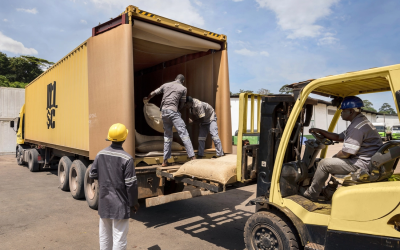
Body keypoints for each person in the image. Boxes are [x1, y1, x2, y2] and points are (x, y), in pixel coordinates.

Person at [302, 96, 383, 201]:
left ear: (351, 111)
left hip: (363, 163)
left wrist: (335, 156)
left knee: (323, 164)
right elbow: (338, 137)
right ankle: (328, 191)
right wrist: (321, 131)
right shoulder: (359, 122)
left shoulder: (356, 128)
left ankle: (311, 193)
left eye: (343, 110)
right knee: (333, 162)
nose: (341, 113)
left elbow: (345, 154)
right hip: (367, 160)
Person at [89, 123, 139, 250]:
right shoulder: (127, 159)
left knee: (105, 236)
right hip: (120, 205)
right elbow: (131, 185)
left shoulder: (100, 154)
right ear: (124, 138)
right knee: (119, 238)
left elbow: (92, 173)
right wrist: (133, 203)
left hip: (104, 202)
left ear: (110, 138)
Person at [144, 74, 195, 166]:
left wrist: (147, 99)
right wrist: (177, 111)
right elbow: (182, 103)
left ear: (175, 79)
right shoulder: (183, 88)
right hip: (173, 111)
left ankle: (165, 161)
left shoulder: (166, 85)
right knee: (184, 134)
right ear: (182, 81)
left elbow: (153, 93)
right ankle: (192, 157)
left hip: (163, 113)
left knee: (167, 137)